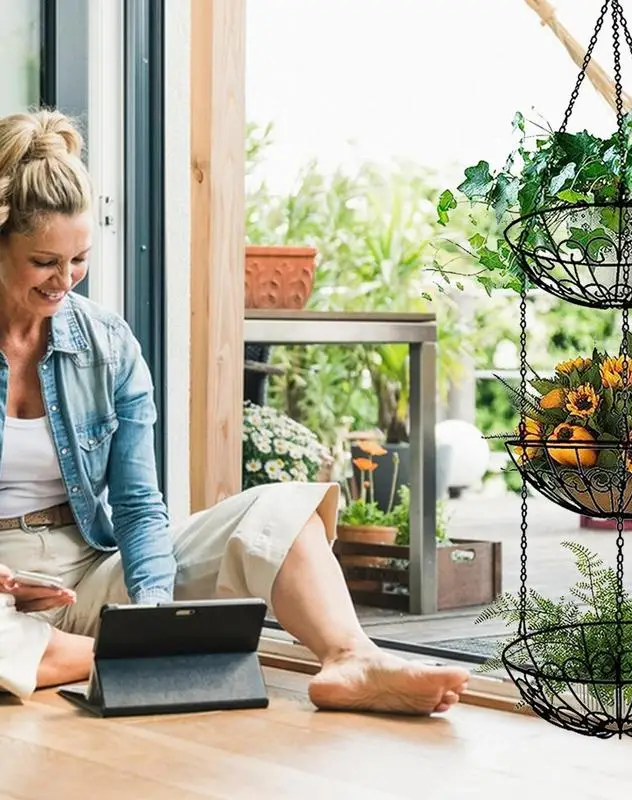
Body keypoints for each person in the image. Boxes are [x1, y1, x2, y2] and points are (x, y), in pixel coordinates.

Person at [0, 109, 469, 712]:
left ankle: (352, 658)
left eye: (79, 259)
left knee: (281, 509)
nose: (66, 281)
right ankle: (113, 654)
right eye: (45, 262)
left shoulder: (107, 344)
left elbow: (140, 504)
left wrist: (151, 614)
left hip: (86, 572)